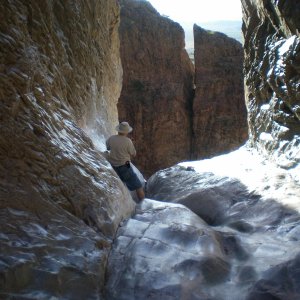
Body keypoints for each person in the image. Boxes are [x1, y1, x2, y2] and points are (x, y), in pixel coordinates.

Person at [106, 122, 145, 201]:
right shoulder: (128, 141)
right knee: (138, 186)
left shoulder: (111, 138)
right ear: (126, 132)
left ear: (118, 130)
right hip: (125, 165)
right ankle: (144, 205)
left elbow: (108, 148)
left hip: (113, 166)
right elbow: (133, 154)